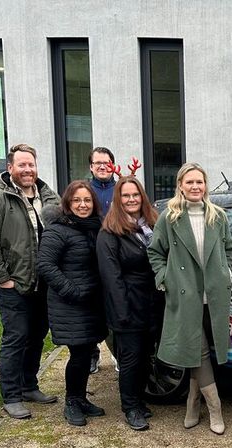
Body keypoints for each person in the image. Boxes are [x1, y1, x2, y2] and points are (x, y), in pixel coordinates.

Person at [0, 143, 61, 419]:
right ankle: (11, 396)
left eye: (31, 164)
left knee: (37, 336)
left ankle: (29, 385)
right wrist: (3, 279)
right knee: (16, 337)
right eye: (21, 165)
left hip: (43, 284)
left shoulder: (48, 196)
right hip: (14, 285)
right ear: (10, 167)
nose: (27, 169)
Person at [148, 163, 232, 435]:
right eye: (190, 182)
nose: (195, 186)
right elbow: (155, 252)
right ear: (180, 186)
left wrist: (226, 272)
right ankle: (215, 408)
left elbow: (228, 248)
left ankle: (192, 402)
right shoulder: (169, 217)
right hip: (185, 296)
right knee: (200, 352)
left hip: (214, 296)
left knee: (199, 350)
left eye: (199, 182)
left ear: (205, 185)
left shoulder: (217, 215)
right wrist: (165, 278)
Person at [37, 181, 107, 426]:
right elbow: (45, 265)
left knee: (87, 352)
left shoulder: (93, 227)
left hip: (90, 303)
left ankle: (80, 398)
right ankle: (72, 402)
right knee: (78, 354)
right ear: (67, 203)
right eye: (77, 200)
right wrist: (72, 292)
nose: (82, 205)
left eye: (87, 200)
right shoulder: (57, 230)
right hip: (70, 303)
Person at [96, 176, 162, 431]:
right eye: (126, 195)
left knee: (146, 357)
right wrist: (122, 312)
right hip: (126, 304)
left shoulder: (151, 225)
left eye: (135, 195)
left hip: (150, 303)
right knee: (131, 360)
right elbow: (111, 277)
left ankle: (140, 400)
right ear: (118, 199)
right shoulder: (109, 233)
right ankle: (130, 407)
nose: (131, 199)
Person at [88, 146, 118, 374]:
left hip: (117, 257)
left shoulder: (122, 189)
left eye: (106, 162)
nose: (102, 166)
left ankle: (118, 353)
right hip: (89, 258)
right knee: (90, 309)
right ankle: (92, 354)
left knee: (115, 305)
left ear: (113, 165)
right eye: (97, 163)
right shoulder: (84, 191)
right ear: (91, 167)